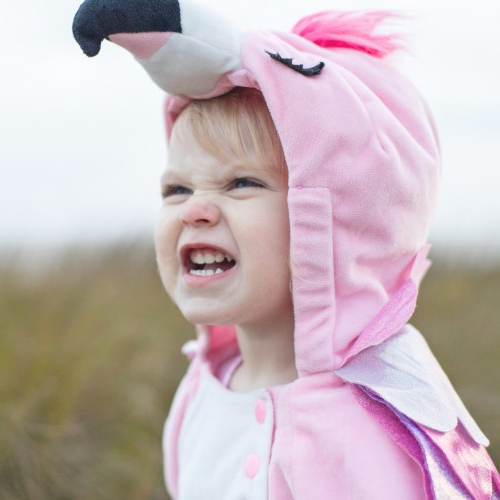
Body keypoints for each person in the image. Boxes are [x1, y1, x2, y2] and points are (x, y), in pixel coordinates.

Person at [73, 0, 500, 498]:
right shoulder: (202, 389)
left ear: (341, 222)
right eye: (177, 190)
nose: (195, 211)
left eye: (242, 183)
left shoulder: (370, 423)